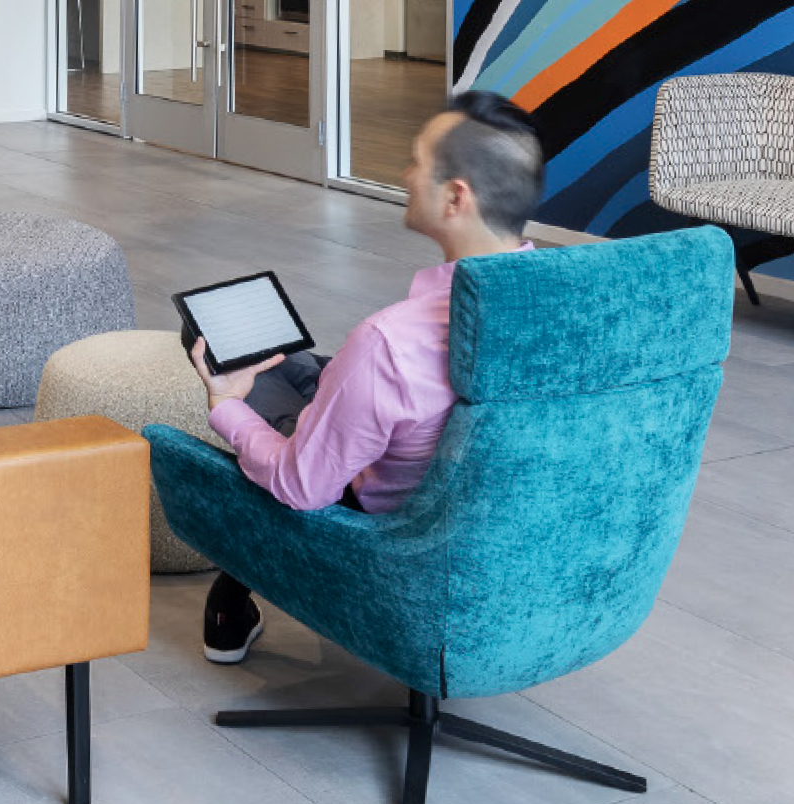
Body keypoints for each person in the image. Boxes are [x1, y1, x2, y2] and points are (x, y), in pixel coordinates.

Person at [184, 91, 547, 662]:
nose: (405, 175)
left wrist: (225, 406)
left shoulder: (389, 343)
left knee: (235, 372)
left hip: (393, 546)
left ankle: (233, 593)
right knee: (302, 366)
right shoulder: (567, 311)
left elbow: (302, 487)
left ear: (456, 196)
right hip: (513, 547)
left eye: (417, 162)